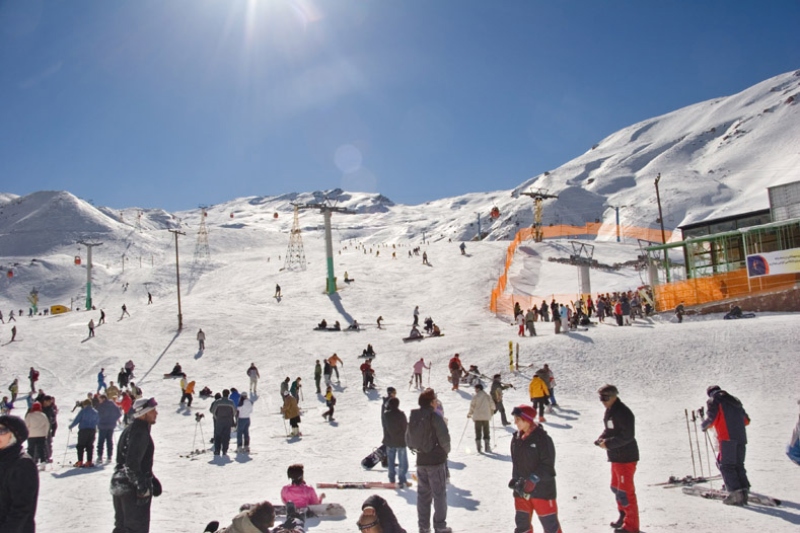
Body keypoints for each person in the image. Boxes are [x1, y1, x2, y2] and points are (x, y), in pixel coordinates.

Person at [509, 405, 563, 533]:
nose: (515, 423)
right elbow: (516, 463)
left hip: (542, 491)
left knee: (551, 527)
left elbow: (548, 466)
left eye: (518, 419)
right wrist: (516, 481)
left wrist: (533, 480)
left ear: (527, 420)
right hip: (522, 491)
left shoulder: (543, 439)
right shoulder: (516, 439)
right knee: (522, 527)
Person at [110, 397, 161, 533]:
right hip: (132, 488)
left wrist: (151, 478)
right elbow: (132, 464)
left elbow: (128, 460)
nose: (156, 413)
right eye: (152, 410)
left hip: (119, 483)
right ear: (143, 413)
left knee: (121, 527)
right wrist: (142, 485)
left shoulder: (129, 429)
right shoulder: (140, 432)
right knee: (136, 529)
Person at [406, 388, 451, 533]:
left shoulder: (415, 416)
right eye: (435, 400)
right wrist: (445, 451)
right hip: (436, 461)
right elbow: (444, 438)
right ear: (431, 402)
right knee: (439, 495)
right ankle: (440, 526)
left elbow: (408, 439)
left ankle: (423, 527)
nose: (436, 402)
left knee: (423, 496)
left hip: (421, 461)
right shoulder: (434, 417)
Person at [595, 384, 639, 533]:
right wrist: (602, 438)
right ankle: (623, 515)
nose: (603, 401)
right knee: (616, 488)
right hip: (616, 456)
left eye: (605, 398)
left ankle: (631, 526)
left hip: (626, 457)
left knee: (626, 492)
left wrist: (608, 444)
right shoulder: (610, 411)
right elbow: (609, 429)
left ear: (614, 396)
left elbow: (628, 436)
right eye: (601, 398)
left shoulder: (623, 412)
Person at [701, 385, 751, 506]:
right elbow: (746, 420)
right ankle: (744, 491)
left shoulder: (714, 400)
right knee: (738, 465)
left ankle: (735, 494)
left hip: (727, 437)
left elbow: (712, 418)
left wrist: (704, 425)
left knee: (726, 465)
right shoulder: (735, 400)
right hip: (741, 437)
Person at [0, 414, 39, 532]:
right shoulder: (3, 458)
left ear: (14, 435)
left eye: (2, 430)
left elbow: (21, 510)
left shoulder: (22, 464)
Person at [384, 397, 408, 487]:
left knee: (390, 460)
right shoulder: (401, 414)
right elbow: (405, 427)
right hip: (401, 441)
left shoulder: (386, 415)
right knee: (402, 461)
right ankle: (402, 479)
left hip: (390, 440)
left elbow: (385, 427)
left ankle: (391, 479)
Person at [70, 398, 99, 467]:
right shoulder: (95, 412)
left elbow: (77, 419)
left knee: (80, 446)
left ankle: (80, 461)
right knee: (90, 446)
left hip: (83, 430)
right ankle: (89, 461)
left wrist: (71, 426)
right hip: (92, 430)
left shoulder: (83, 411)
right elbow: (98, 421)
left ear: (85, 405)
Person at [468, 383, 495, 453]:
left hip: (477, 417)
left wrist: (470, 413)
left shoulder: (476, 397)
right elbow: (492, 405)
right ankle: (487, 446)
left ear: (478, 389)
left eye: (476, 389)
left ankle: (479, 447)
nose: (475, 390)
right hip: (486, 416)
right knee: (486, 431)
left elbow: (472, 406)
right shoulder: (487, 396)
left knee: (478, 432)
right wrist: (492, 410)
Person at [96, 394, 121, 463]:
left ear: (103, 399)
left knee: (101, 441)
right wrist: (113, 419)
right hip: (111, 425)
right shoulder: (113, 404)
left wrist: (98, 422)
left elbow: (98, 415)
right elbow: (119, 413)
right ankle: (109, 456)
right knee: (109, 441)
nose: (99, 401)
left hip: (103, 425)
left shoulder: (101, 406)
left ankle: (100, 456)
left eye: (100, 399)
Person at [210, 389, 236, 455]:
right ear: (228, 394)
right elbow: (234, 412)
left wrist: (217, 417)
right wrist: (230, 417)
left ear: (222, 393)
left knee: (218, 435)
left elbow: (213, 411)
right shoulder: (231, 402)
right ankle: (225, 450)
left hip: (219, 421)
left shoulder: (218, 402)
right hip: (228, 421)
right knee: (226, 436)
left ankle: (217, 450)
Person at [24, 401, 50, 467]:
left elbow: (26, 425)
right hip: (41, 435)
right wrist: (45, 433)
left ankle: (30, 463)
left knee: (30, 449)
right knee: (41, 449)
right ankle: (43, 462)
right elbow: (47, 425)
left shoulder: (29, 415)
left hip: (31, 435)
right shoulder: (43, 415)